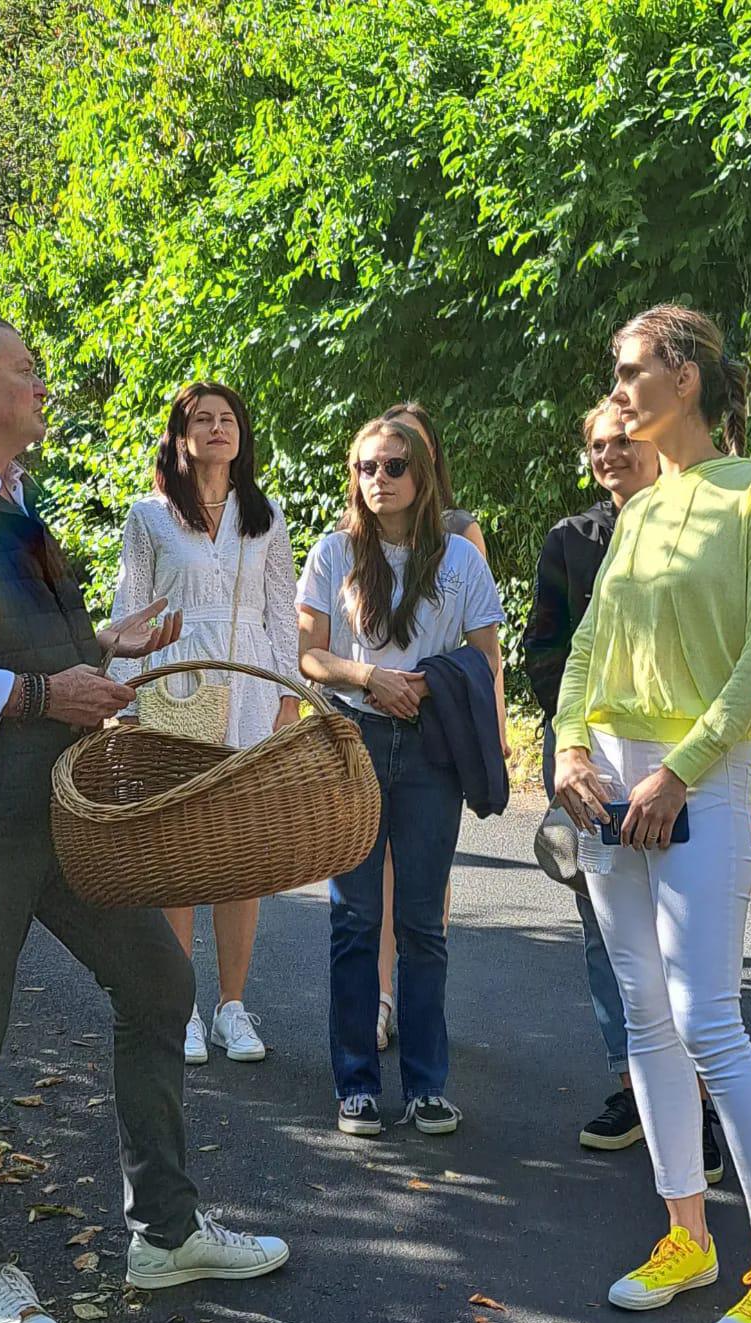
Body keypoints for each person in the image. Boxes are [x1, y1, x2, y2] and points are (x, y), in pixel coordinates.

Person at [0, 312, 287, 1323]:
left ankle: (165, 1235)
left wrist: (102, 641)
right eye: (27, 370)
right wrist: (43, 691)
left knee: (159, 985)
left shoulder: (13, 497)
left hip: (56, 806)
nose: (43, 387)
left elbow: (13, 635)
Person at [553, 304, 751, 1323]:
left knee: (708, 1020)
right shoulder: (638, 508)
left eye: (632, 371)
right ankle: (687, 1237)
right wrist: (568, 748)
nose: (619, 391)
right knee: (644, 1017)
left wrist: (678, 772)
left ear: (687, 377)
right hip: (608, 776)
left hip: (694, 779)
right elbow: (588, 644)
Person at [523, 402, 725, 1180]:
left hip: (681, 755)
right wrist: (579, 745)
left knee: (686, 926)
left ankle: (700, 1100)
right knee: (604, 928)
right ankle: (634, 1087)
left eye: (623, 440)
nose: (610, 454)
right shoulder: (571, 540)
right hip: (589, 756)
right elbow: (545, 650)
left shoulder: (701, 525)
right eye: (598, 445)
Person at [298, 416, 504, 1137]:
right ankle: (356, 1084)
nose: (378, 480)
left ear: (421, 473)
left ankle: (426, 1087)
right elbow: (309, 654)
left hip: (430, 746)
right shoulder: (332, 553)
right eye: (366, 467)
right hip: (352, 742)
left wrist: (465, 711)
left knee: (421, 923)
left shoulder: (459, 558)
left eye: (392, 466)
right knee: (354, 918)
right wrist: (369, 678)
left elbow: (486, 654)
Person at [110, 382, 301, 1065]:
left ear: (241, 436)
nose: (218, 428)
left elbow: (283, 612)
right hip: (177, 682)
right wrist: (124, 700)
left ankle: (232, 1007)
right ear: (181, 435)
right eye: (204, 419)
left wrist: (289, 699)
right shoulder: (149, 517)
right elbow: (130, 609)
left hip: (250, 683)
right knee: (180, 849)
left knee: (240, 851)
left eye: (229, 419)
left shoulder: (266, 516)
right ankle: (181, 1004)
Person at [370, 402, 504, 1053]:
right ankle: (380, 998)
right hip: (371, 724)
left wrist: (493, 726)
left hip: (440, 724)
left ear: (428, 464)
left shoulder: (459, 533)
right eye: (380, 458)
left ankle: (421, 1000)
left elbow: (483, 651)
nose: (389, 469)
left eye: (406, 457)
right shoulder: (355, 541)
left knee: (426, 873)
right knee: (374, 873)